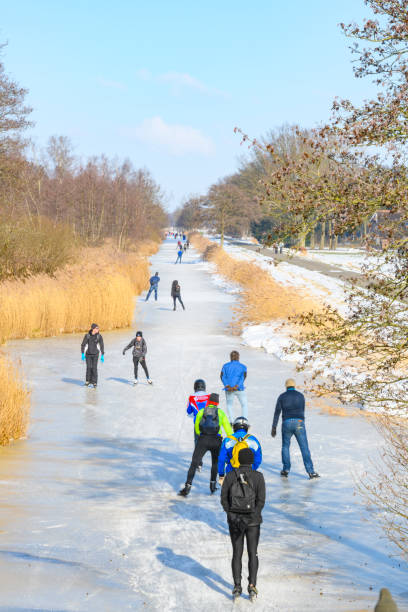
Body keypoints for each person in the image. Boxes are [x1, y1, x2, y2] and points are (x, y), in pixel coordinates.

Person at [221, 447, 265, 602]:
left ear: (238, 460)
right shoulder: (259, 477)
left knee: (237, 553)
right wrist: (251, 516)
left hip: (235, 522)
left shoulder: (230, 476)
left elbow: (224, 500)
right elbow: (261, 501)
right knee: (253, 553)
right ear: (252, 461)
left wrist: (232, 516)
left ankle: (237, 586)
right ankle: (252, 585)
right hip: (253, 522)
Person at [178, 393, 232, 497]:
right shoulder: (220, 413)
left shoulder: (201, 412)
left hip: (203, 440)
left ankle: (187, 486)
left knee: (194, 463)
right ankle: (212, 486)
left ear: (208, 401)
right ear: (217, 403)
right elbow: (229, 432)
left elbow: (197, 429)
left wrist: (203, 434)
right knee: (215, 463)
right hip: (216, 441)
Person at [271, 378, 319, 479]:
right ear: (294, 385)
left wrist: (274, 427)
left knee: (285, 446)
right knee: (304, 447)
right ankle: (311, 472)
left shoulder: (282, 396)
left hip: (287, 423)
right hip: (299, 422)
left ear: (286, 386)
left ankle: (286, 469)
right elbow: (302, 410)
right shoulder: (300, 396)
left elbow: (277, 412)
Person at [218, 417, 262, 483]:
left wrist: (221, 474)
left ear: (234, 427)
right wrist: (252, 468)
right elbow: (258, 459)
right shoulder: (253, 439)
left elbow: (221, 459)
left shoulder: (227, 440)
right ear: (246, 428)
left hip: (231, 472)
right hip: (248, 472)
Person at [186, 379, 210, 472]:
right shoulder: (209, 396)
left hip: (198, 424)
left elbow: (188, 412)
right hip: (209, 424)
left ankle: (199, 463)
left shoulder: (192, 397)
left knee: (197, 443)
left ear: (195, 387)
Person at [220, 351, 248, 422]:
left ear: (230, 357)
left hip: (229, 389)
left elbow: (222, 376)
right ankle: (244, 420)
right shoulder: (243, 366)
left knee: (230, 405)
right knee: (244, 404)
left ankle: (231, 422)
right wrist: (237, 385)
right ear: (238, 357)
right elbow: (243, 377)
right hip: (239, 389)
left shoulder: (225, 366)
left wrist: (227, 385)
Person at [81, 323, 104, 388]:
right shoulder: (87, 336)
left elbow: (102, 345)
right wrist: (82, 353)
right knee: (88, 367)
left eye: (98, 328)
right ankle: (87, 381)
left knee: (94, 368)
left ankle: (94, 382)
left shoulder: (99, 336)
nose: (98, 329)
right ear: (93, 329)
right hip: (88, 354)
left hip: (96, 354)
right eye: (97, 328)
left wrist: (102, 354)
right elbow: (83, 344)